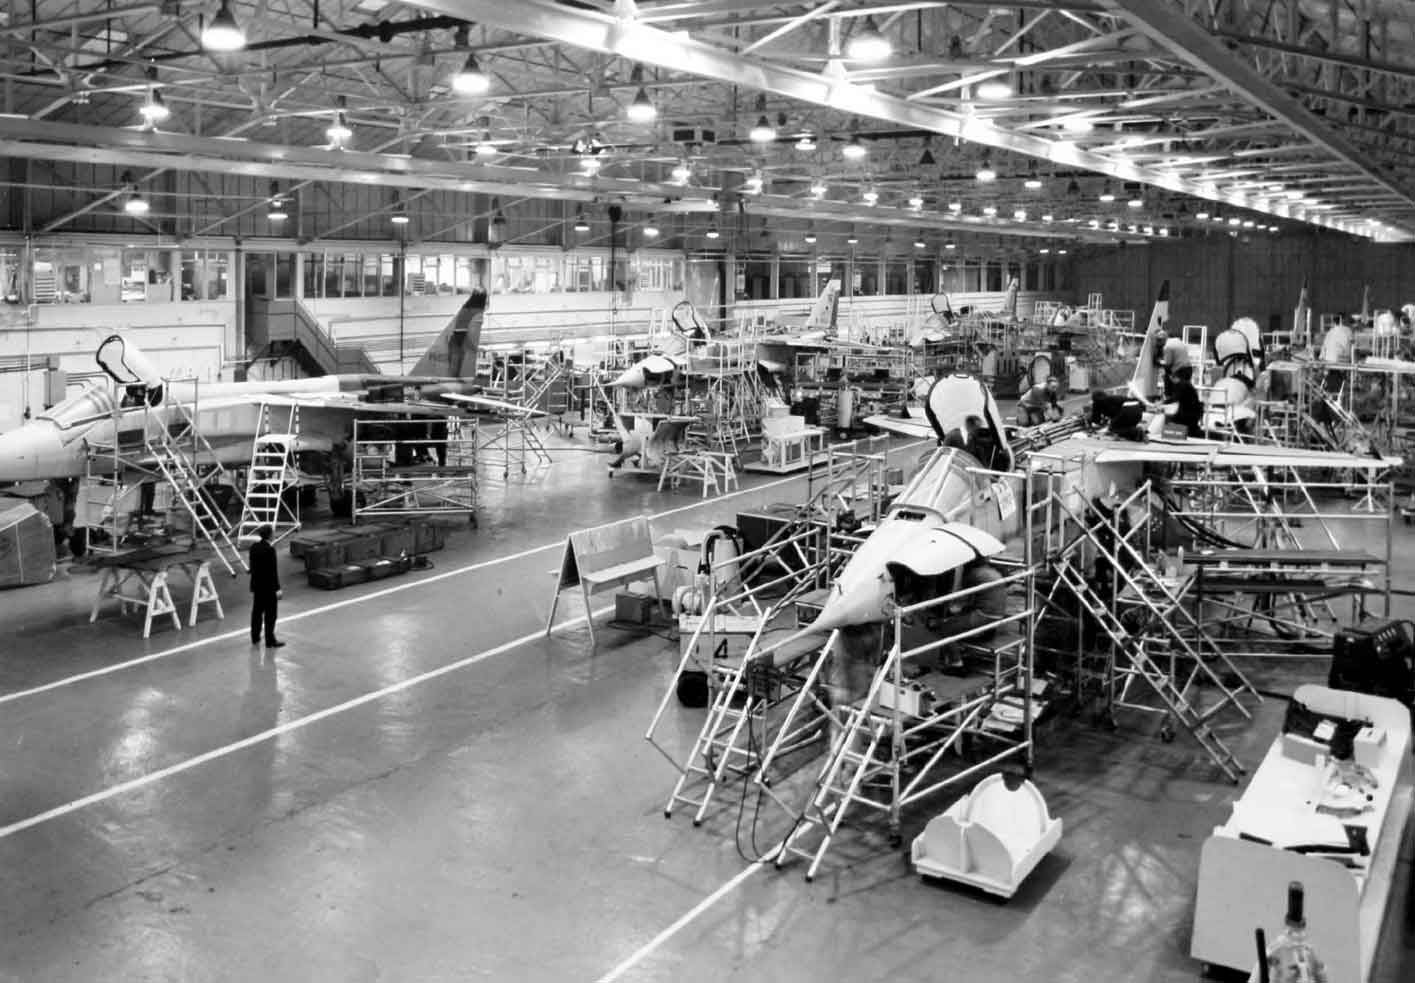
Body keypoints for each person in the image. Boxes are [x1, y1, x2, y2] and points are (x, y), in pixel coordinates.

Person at [249, 524, 285, 649]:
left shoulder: (253, 547)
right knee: (271, 614)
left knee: (257, 612)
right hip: (268, 587)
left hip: (257, 586)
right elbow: (272, 572)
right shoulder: (270, 550)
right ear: (269, 535)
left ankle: (255, 636)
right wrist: (277, 588)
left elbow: (252, 568)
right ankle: (270, 640)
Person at [1163, 364, 1203, 437]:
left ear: (1171, 376)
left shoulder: (1182, 385)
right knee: (1171, 418)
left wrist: (1161, 403)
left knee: (1170, 420)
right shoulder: (1184, 383)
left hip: (1189, 415)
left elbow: (1174, 398)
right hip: (1192, 413)